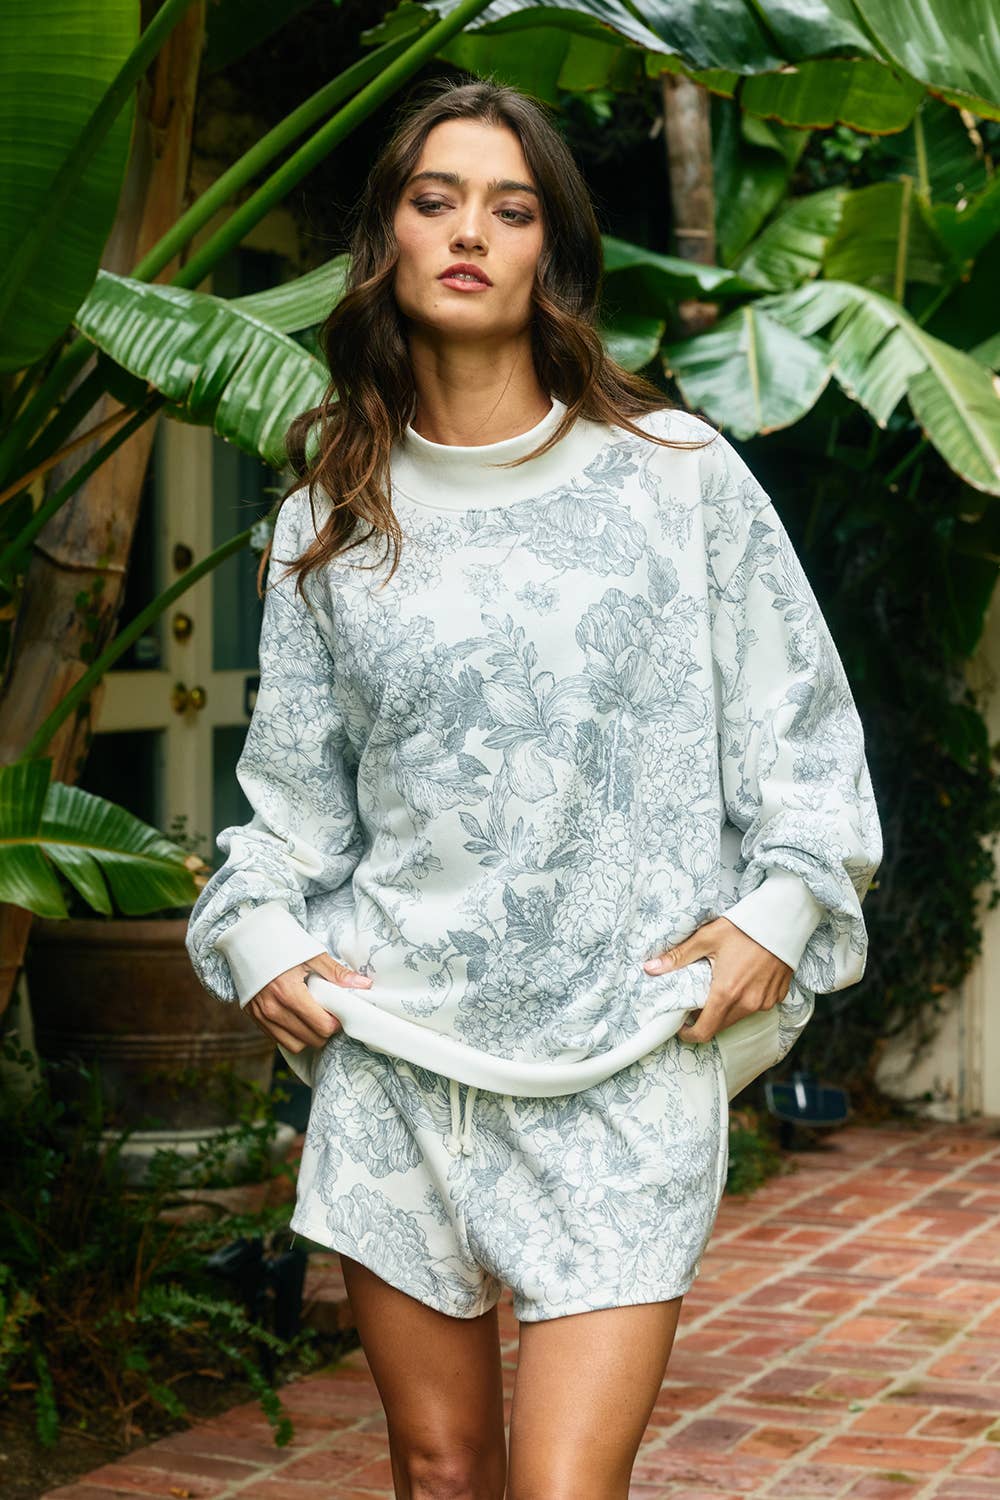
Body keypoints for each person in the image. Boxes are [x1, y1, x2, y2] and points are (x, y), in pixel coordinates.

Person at [186, 75, 882, 1500]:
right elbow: (294, 805)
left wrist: (775, 916)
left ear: (550, 253)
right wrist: (257, 939)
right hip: (400, 1060)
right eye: (434, 200)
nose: (469, 233)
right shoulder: (329, 515)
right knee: (442, 1474)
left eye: (509, 210)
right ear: (385, 237)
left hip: (623, 1057)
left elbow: (807, 739)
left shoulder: (676, 478)